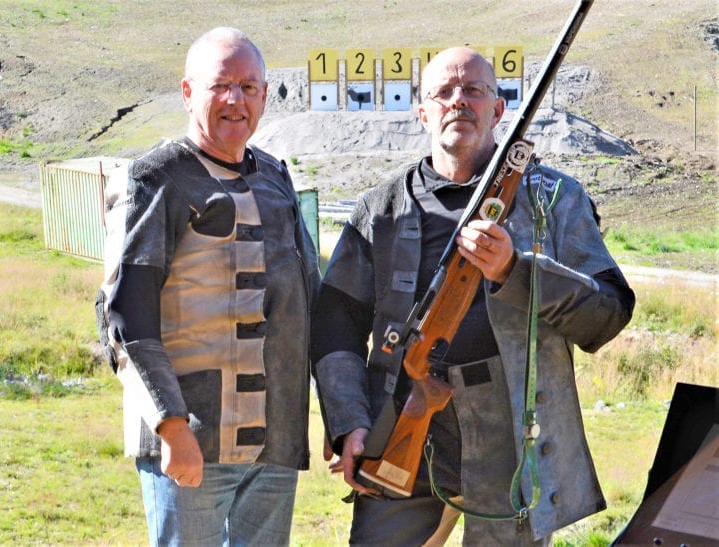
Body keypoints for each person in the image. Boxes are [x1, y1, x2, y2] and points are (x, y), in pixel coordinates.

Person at [312, 46, 635, 545]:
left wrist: (516, 270)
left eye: (474, 91)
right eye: (443, 92)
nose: (458, 101)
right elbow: (335, 323)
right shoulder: (380, 208)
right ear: (421, 111)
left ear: (499, 109)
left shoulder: (553, 198)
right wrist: (349, 423)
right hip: (402, 428)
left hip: (515, 442)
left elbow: (608, 315)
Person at [97, 27, 320, 546]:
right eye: (220, 85)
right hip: (192, 441)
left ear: (264, 95)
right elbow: (126, 316)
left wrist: (338, 416)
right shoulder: (155, 180)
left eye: (247, 86)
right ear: (187, 92)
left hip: (274, 444)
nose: (234, 100)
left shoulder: (275, 178)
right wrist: (173, 427)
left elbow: (309, 302)